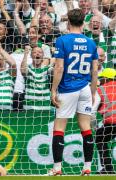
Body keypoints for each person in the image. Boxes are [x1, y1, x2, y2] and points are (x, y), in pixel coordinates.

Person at [50, 8, 98, 175]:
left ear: (68, 22)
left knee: (59, 127)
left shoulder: (62, 40)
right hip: (85, 87)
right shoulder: (91, 43)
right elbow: (95, 70)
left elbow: (59, 67)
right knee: (85, 127)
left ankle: (57, 168)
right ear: (83, 22)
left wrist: (53, 89)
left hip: (67, 89)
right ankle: (87, 167)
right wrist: (92, 92)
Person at [94, 68, 116, 174]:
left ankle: (108, 169)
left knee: (100, 139)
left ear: (106, 78)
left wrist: (94, 126)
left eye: (102, 77)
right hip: (111, 123)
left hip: (111, 123)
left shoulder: (101, 89)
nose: (101, 79)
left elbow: (93, 109)